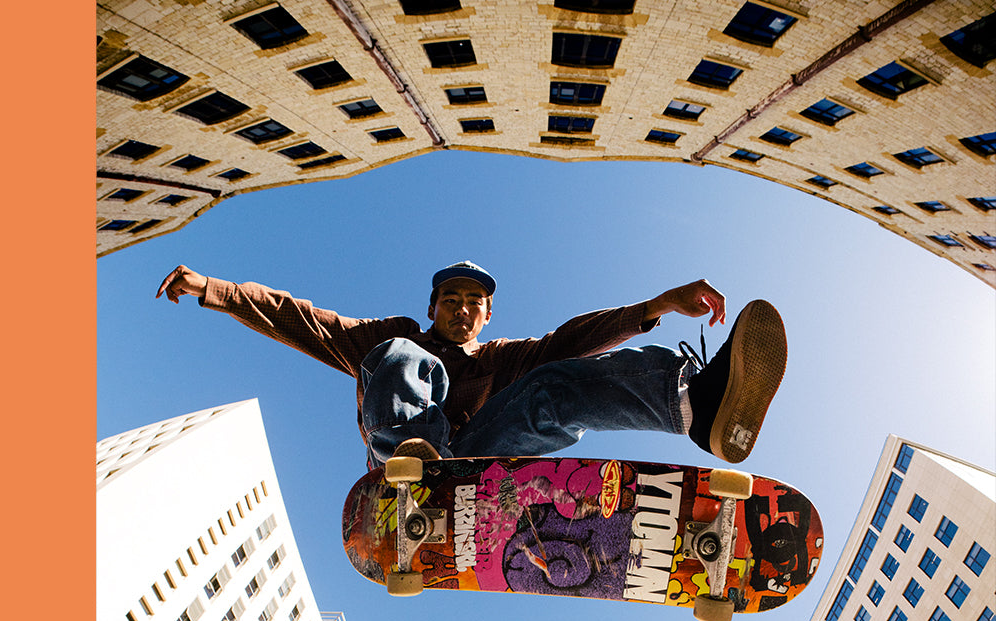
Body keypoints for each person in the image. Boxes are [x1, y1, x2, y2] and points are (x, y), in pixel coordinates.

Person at [155, 260, 786, 469]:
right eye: (451, 300)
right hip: (406, 464)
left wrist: (651, 307)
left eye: (474, 304)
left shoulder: (500, 359)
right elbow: (305, 320)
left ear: (485, 317)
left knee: (553, 383)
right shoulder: (401, 335)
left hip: (481, 455)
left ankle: (696, 407)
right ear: (433, 306)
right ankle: (413, 460)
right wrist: (216, 289)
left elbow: (573, 338)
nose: (462, 310)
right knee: (399, 356)